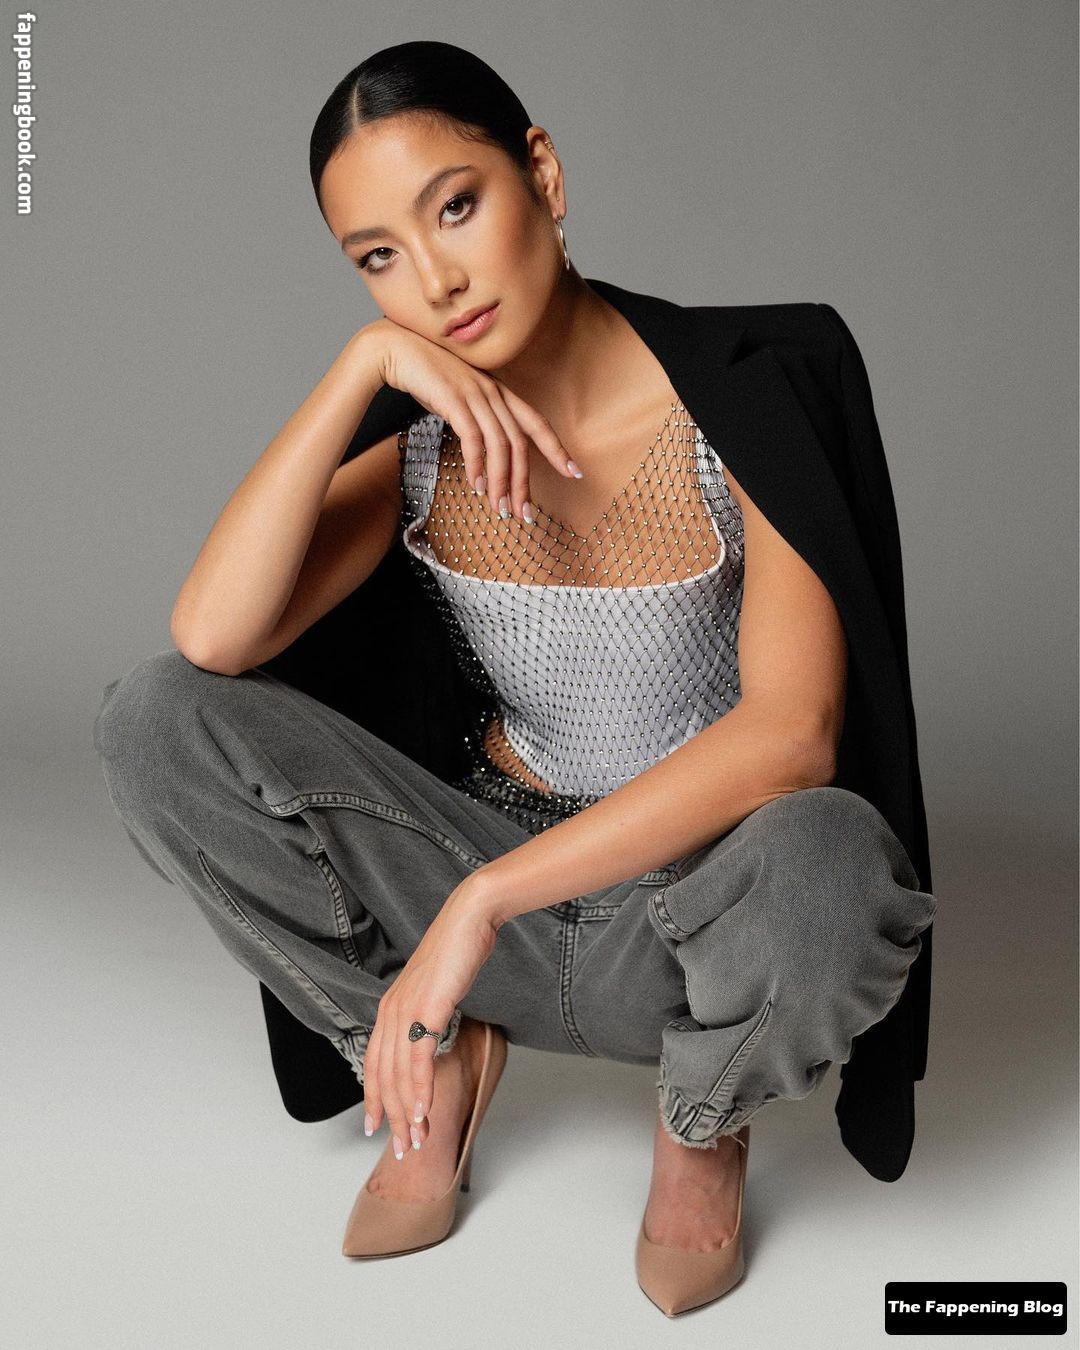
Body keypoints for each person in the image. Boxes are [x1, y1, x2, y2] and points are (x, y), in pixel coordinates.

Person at [93, 39, 938, 1317]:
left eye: (455, 206)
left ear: (541, 172)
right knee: (151, 720)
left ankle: (700, 1120)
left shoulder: (746, 399)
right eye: (378, 258)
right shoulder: (421, 445)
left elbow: (794, 734)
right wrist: (360, 370)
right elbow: (210, 640)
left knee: (832, 864)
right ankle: (420, 1060)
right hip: (475, 873)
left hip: (692, 923)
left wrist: (481, 906)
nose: (434, 281)